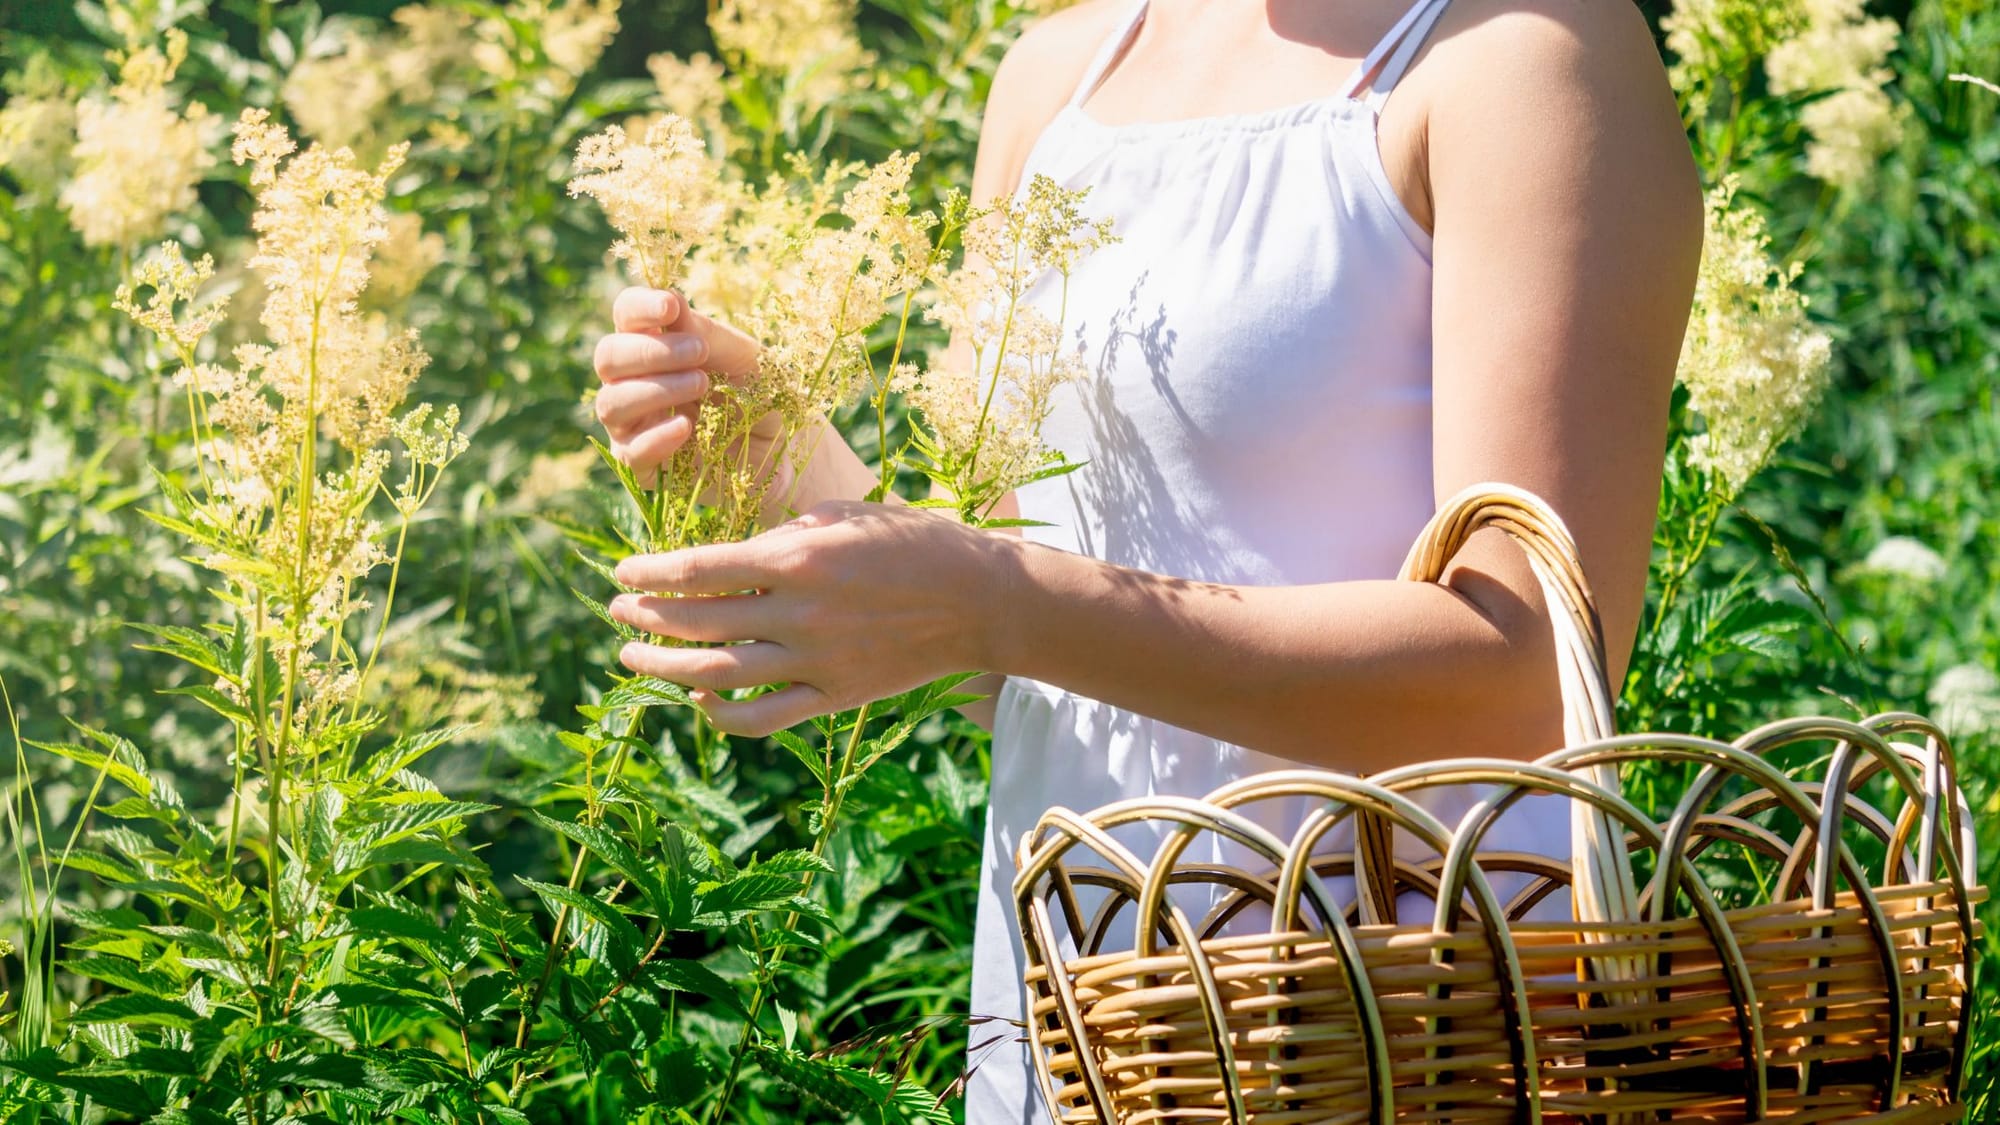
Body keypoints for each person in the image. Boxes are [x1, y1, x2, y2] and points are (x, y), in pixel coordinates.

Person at [590, 0, 1702, 1118]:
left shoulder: (1523, 60)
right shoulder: (1053, 76)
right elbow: (1028, 666)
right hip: (1076, 1012)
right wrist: (784, 459)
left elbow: (1530, 685)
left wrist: (996, 602)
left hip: (1393, 1024)